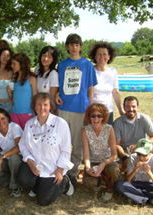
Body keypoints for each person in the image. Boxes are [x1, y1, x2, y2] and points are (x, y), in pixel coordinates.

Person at [55, 33, 98, 185]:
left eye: (77, 45)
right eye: (71, 45)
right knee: (61, 143)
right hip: (64, 108)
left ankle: (72, 173)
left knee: (78, 143)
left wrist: (90, 108)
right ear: (67, 46)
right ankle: (61, 170)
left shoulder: (87, 65)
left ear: (80, 47)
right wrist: (56, 95)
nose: (74, 47)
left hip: (81, 109)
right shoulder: (62, 65)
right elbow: (57, 85)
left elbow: (90, 88)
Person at [17, 93, 74, 206]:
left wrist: (60, 170)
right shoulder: (29, 124)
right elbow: (22, 145)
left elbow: (66, 150)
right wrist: (30, 162)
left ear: (50, 106)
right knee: (22, 179)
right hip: (35, 165)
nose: (42, 108)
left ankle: (65, 183)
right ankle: (38, 185)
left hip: (52, 168)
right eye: (39, 104)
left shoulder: (60, 124)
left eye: (45, 105)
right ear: (34, 106)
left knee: (43, 201)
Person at [114, 138, 153, 208]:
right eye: (139, 154)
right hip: (135, 184)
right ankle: (149, 200)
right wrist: (135, 170)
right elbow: (127, 180)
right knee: (118, 184)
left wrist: (149, 173)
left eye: (144, 155)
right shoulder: (133, 157)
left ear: (150, 152)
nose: (141, 157)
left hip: (150, 185)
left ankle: (137, 197)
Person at [82, 103, 119, 201]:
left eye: (99, 115)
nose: (96, 118)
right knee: (88, 183)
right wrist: (88, 168)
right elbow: (86, 155)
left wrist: (104, 163)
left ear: (104, 117)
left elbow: (114, 154)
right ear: (89, 117)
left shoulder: (109, 129)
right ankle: (97, 181)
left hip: (107, 161)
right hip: (93, 162)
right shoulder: (85, 131)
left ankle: (110, 188)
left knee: (114, 169)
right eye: (93, 115)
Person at [114, 96, 153, 172]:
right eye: (128, 106)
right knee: (116, 167)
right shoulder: (118, 122)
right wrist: (124, 157)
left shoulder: (144, 118)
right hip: (125, 151)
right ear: (123, 108)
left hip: (142, 148)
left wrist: (139, 145)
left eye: (133, 106)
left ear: (138, 107)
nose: (131, 109)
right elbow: (117, 145)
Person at [0, 108, 23, 197]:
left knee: (13, 159)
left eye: (3, 118)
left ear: (7, 118)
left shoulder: (15, 127)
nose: (1, 122)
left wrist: (1, 157)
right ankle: (12, 180)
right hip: (6, 159)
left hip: (20, 159)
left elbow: (19, 147)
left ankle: (15, 187)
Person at [88, 41, 124, 125]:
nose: (102, 57)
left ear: (109, 56)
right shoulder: (90, 71)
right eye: (99, 54)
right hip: (93, 113)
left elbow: (115, 92)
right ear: (95, 57)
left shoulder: (113, 71)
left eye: (104, 54)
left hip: (108, 111)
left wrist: (121, 110)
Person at [7, 53, 37, 129]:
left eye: (14, 64)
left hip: (28, 113)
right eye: (11, 64)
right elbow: (12, 98)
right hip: (14, 113)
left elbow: (35, 97)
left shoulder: (31, 78)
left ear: (21, 64)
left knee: (27, 136)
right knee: (16, 137)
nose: (11, 66)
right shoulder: (13, 79)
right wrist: (9, 92)